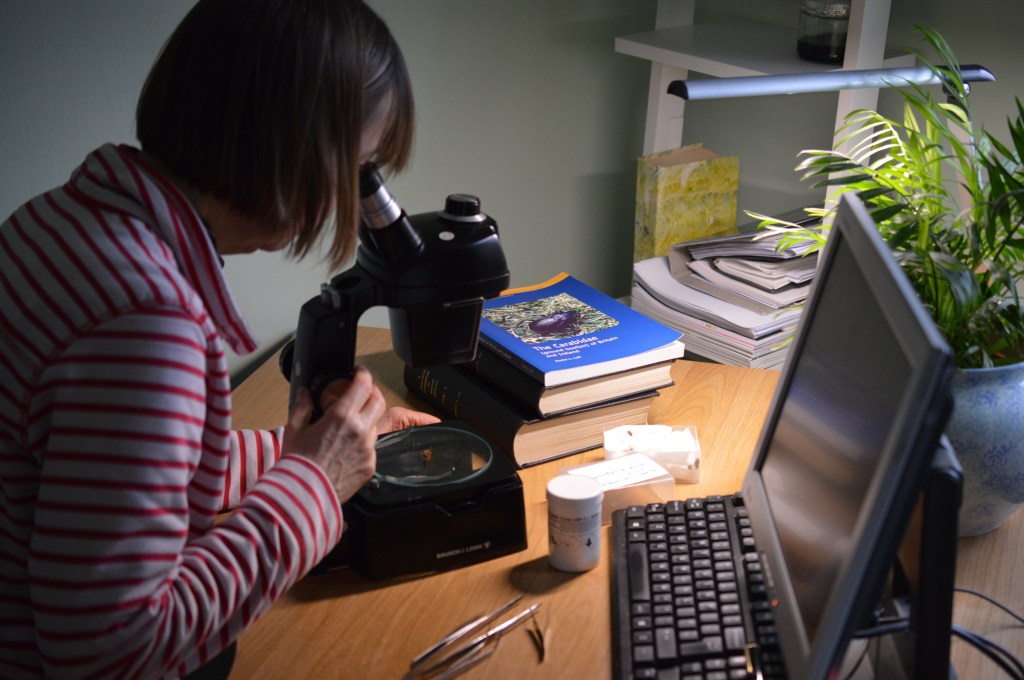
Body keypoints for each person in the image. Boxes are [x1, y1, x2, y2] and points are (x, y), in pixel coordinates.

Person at [0, 1, 439, 677]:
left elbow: (118, 472)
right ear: (291, 152)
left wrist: (300, 451)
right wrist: (316, 484)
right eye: (356, 171)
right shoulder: (148, 325)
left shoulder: (59, 223)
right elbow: (107, 653)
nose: (349, 203)